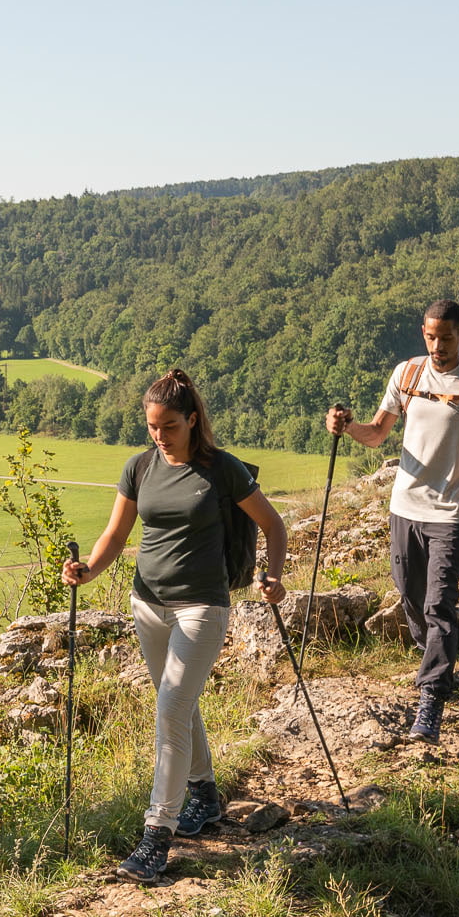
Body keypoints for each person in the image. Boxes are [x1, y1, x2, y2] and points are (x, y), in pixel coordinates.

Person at [62, 368, 289, 884]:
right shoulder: (140, 468)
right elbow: (116, 536)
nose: (159, 436)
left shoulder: (221, 470)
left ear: (192, 420)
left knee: (170, 709)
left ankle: (157, 835)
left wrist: (273, 577)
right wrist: (87, 571)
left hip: (201, 607)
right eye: (151, 426)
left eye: (168, 426)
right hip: (147, 604)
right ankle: (205, 795)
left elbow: (272, 524)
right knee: (179, 705)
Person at [324, 298, 459, 744]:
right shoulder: (407, 374)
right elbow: (376, 433)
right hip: (404, 506)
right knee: (410, 598)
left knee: (438, 603)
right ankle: (436, 659)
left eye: (445, 338)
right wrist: (345, 427)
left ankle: (431, 696)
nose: (437, 346)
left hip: (453, 511)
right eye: (430, 336)